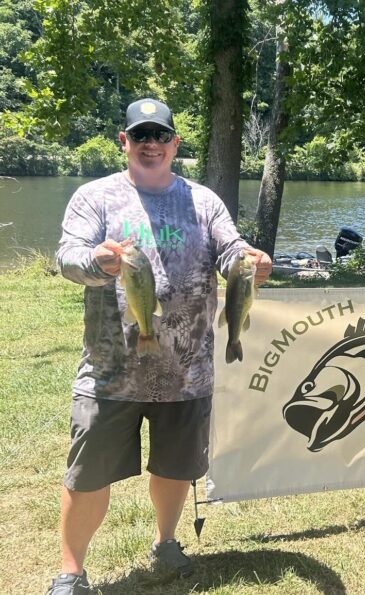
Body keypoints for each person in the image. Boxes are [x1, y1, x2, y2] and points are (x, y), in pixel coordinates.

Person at [49, 98, 272, 594]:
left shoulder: (203, 201)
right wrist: (96, 262)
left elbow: (230, 249)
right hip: (110, 369)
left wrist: (249, 261)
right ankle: (70, 573)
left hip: (187, 368)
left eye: (160, 136)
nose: (151, 144)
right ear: (125, 142)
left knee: (176, 468)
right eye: (140, 136)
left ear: (174, 144)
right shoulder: (95, 197)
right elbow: (67, 258)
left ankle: (166, 542)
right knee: (88, 475)